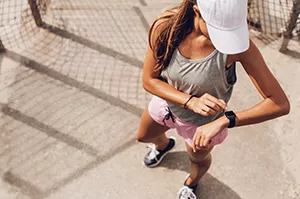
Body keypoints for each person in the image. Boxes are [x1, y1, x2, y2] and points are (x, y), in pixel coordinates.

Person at [136, 0, 290, 198]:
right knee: (143, 136)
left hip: (203, 126)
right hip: (167, 105)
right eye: (220, 30)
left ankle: (191, 183)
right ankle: (163, 145)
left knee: (197, 160)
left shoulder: (238, 47)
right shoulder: (165, 27)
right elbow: (149, 80)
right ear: (197, 11)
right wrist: (190, 101)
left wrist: (226, 120)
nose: (229, 41)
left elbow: (279, 103)